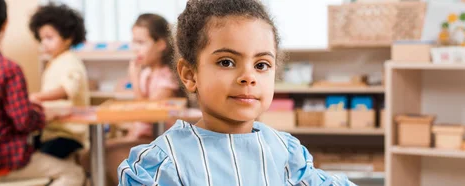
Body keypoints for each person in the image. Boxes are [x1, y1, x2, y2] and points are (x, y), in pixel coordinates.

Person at [117, 0, 356, 185]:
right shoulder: (164, 163)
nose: (248, 77)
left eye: (261, 65)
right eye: (227, 62)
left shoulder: (285, 152)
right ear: (190, 75)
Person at [0, 0, 84, 185]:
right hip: (0, 163)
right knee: (73, 173)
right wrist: (44, 114)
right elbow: (24, 121)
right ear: (5, 23)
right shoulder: (8, 70)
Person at [28, 3, 89, 160]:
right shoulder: (54, 61)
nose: (44, 43)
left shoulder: (70, 61)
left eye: (49, 38)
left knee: (43, 158)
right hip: (51, 131)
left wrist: (38, 97)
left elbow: (67, 90)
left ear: (68, 38)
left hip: (69, 134)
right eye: (42, 39)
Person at [125, 13, 181, 140]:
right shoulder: (146, 73)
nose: (135, 48)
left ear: (160, 44)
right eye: (134, 42)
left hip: (157, 142)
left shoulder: (167, 78)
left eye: (141, 42)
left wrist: (135, 80)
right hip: (141, 139)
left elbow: (148, 114)